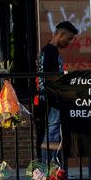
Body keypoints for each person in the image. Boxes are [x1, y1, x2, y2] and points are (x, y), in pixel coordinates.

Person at [35, 20, 79, 160]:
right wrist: (66, 81)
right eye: (69, 38)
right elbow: (49, 77)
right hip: (51, 99)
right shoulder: (51, 51)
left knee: (50, 133)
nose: (69, 42)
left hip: (46, 98)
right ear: (61, 34)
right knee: (52, 134)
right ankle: (49, 169)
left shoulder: (46, 50)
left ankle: (48, 168)